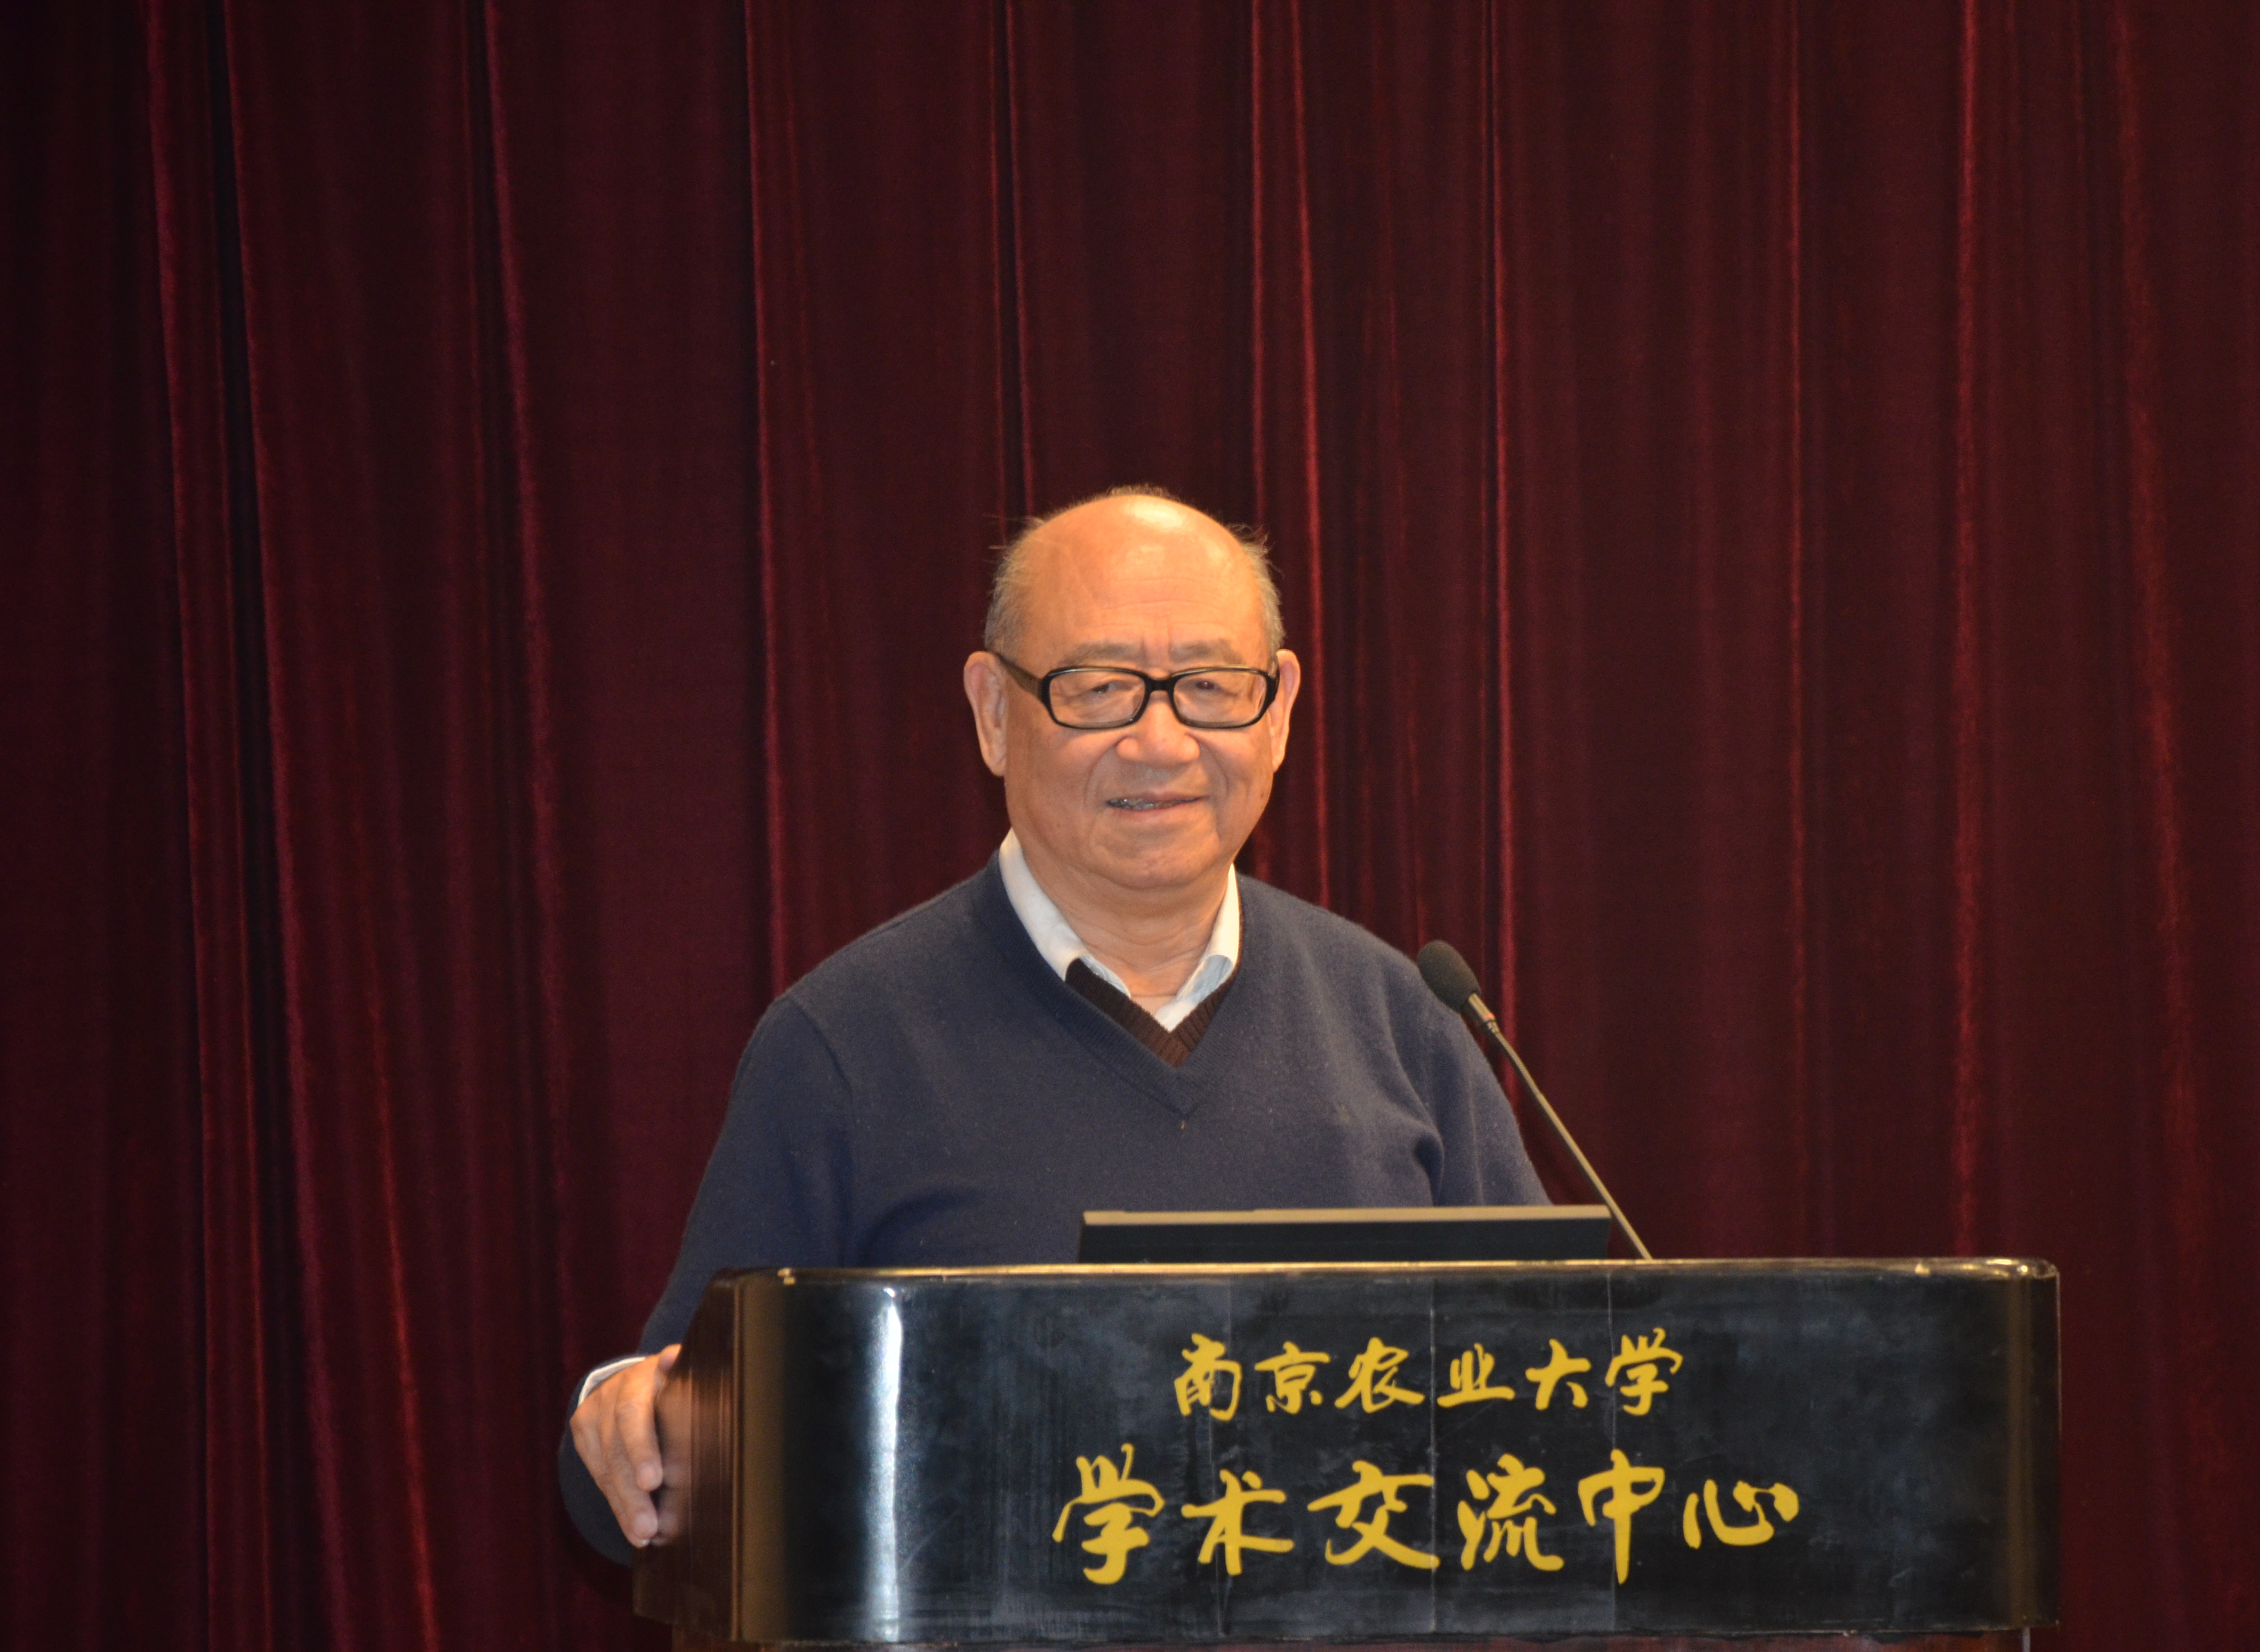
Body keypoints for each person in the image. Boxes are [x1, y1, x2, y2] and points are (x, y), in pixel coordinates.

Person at [561, 489, 1544, 1558]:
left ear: (1280, 711)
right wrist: (629, 1411)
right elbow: (662, 1453)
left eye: (1211, 687)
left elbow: (1559, 1394)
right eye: (1100, 688)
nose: (1160, 741)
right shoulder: (844, 1045)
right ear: (994, 711)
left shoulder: (1404, 1022)